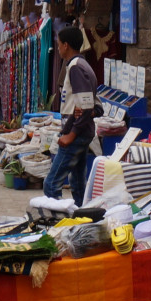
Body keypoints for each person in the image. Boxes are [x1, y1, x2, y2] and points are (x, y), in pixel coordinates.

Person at [44, 25, 99, 205]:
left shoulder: (75, 67)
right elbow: (94, 105)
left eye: (59, 44)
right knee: (77, 184)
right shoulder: (82, 65)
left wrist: (71, 134)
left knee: (51, 184)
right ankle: (83, 217)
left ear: (66, 45)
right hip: (81, 131)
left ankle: (57, 219)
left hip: (77, 134)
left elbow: (87, 104)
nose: (58, 47)